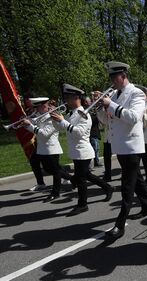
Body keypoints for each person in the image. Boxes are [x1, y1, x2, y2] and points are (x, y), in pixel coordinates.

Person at [100, 62, 147, 239]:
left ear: (123, 75)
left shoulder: (136, 93)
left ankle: (120, 224)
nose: (112, 81)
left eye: (115, 77)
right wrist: (102, 107)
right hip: (120, 145)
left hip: (131, 146)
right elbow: (107, 121)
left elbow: (133, 118)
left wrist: (111, 105)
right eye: (110, 78)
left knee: (127, 184)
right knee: (136, 178)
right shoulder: (114, 94)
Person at [51, 84, 114, 216]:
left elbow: (79, 133)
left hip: (83, 152)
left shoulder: (84, 114)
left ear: (76, 98)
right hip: (76, 151)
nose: (66, 101)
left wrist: (63, 121)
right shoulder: (72, 113)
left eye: (68, 98)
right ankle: (107, 187)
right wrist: (55, 119)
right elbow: (62, 128)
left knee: (81, 180)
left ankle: (82, 204)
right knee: (86, 176)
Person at [22, 97, 73, 202]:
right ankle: (74, 179)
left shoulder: (52, 117)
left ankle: (55, 193)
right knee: (50, 169)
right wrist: (26, 125)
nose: (35, 110)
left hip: (51, 148)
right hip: (42, 148)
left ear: (43, 106)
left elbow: (45, 134)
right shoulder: (40, 116)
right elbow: (36, 131)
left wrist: (30, 126)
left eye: (37, 107)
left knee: (55, 172)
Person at [85, 96, 102, 168]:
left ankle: (96, 161)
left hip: (95, 131)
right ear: (86, 102)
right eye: (89, 101)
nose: (91, 102)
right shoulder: (85, 110)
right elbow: (92, 120)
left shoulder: (93, 109)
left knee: (96, 148)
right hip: (91, 132)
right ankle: (93, 163)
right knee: (93, 148)